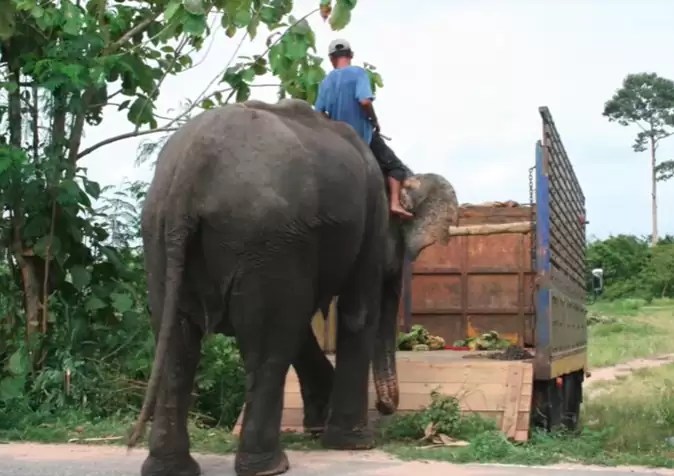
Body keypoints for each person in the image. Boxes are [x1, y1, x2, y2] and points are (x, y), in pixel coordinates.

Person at [315, 38, 414, 218]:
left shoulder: (325, 82)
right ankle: (394, 203)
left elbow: (319, 114)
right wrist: (374, 120)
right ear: (351, 55)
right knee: (396, 168)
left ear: (331, 59)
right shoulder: (359, 74)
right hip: (363, 138)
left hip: (338, 140)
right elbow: (364, 100)